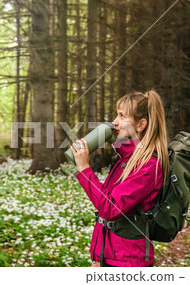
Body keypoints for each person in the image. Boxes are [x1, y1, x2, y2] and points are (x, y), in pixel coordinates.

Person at [70, 90, 169, 267]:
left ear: (140, 125)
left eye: (122, 116)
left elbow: (111, 209)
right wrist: (101, 259)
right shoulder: (126, 158)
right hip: (111, 256)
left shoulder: (148, 165)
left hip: (128, 262)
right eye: (117, 115)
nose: (115, 122)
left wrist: (85, 168)